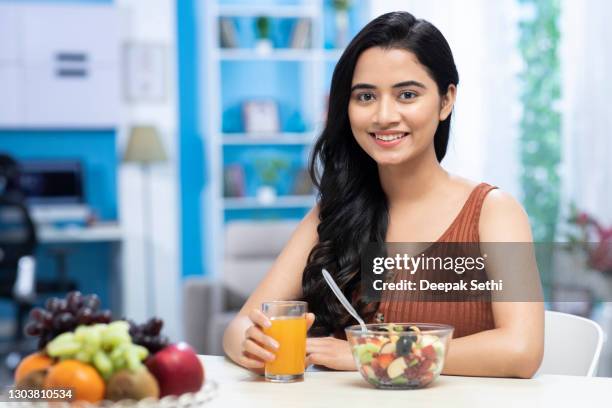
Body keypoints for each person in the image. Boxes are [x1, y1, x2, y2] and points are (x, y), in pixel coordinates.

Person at [223, 11, 543, 378]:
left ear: (446, 100)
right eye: (365, 96)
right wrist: (251, 342)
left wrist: (373, 353)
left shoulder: (494, 212)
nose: (384, 115)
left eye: (407, 94)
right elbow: (239, 327)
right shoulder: (336, 212)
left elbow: (521, 350)